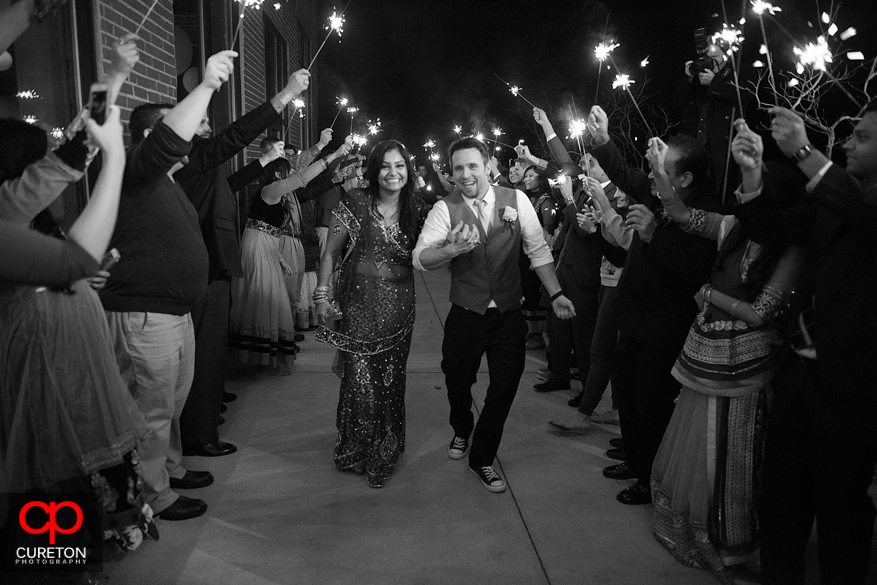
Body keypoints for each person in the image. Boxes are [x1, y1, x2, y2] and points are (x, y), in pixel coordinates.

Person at [0, 103, 159, 573]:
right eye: (37, 160)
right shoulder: (6, 215)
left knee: (90, 451)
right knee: (52, 461)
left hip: (78, 364)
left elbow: (59, 268)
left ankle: (93, 541)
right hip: (38, 369)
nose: (48, 166)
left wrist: (81, 281)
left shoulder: (33, 219)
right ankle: (55, 562)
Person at [647, 129, 803, 581]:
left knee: (735, 455)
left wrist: (713, 294)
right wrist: (659, 174)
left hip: (749, 364)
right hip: (710, 353)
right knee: (703, 446)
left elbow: (761, 312)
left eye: (752, 192)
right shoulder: (735, 228)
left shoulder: (791, 246)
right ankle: (698, 534)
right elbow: (679, 213)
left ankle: (734, 547)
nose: (741, 200)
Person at [733, 105, 877, 585]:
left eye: (861, 136)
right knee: (781, 501)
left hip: (853, 387)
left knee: (841, 512)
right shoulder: (832, 200)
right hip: (799, 373)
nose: (848, 144)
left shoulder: (856, 202)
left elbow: (861, 214)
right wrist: (752, 174)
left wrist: (801, 150)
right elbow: (770, 229)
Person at [98, 49, 238, 522]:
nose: (192, 134)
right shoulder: (133, 170)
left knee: (171, 403)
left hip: (171, 314)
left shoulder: (167, 183)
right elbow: (164, 144)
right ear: (148, 137)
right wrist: (204, 88)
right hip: (143, 315)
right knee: (150, 412)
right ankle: (150, 495)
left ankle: (169, 469)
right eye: (180, 124)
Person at [413, 137, 575, 493]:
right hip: (465, 314)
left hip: (507, 314)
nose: (465, 174)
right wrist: (449, 250)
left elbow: (538, 252)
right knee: (457, 380)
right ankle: (461, 428)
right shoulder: (444, 208)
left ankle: (482, 458)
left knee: (504, 388)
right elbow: (420, 258)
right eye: (458, 168)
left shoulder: (515, 200)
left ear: (487, 165)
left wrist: (557, 293)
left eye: (472, 165)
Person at [585, 105, 722, 506]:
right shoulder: (657, 190)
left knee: (651, 403)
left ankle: (650, 479)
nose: (653, 176)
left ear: (686, 177)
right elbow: (626, 174)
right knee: (626, 394)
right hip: (633, 315)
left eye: (663, 170)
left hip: (664, 326)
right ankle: (633, 457)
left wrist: (650, 235)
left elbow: (690, 269)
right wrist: (604, 140)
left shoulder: (705, 212)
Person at [174, 68, 312, 459]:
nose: (206, 126)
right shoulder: (189, 153)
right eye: (200, 120)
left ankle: (209, 401)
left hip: (214, 259)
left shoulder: (196, 161)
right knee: (204, 346)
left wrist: (264, 161)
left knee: (211, 346)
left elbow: (229, 186)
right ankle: (199, 432)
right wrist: (283, 95)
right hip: (205, 259)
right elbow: (236, 134)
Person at [314, 140, 429, 489]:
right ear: (374, 170)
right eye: (386, 166)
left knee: (390, 382)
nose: (393, 173)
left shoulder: (419, 209)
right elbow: (331, 253)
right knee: (360, 381)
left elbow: (432, 254)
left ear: (408, 171)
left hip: (399, 309)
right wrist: (322, 295)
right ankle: (355, 447)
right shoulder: (356, 202)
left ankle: (384, 450)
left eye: (400, 166)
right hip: (357, 308)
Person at [229, 143, 350, 374]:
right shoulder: (271, 190)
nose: (292, 176)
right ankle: (261, 354)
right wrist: (333, 154)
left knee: (274, 298)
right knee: (266, 297)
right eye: (287, 173)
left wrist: (281, 260)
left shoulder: (278, 195)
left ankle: (265, 355)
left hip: (268, 245)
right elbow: (303, 178)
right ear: (277, 174)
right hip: (258, 247)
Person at [519, 165, 560, 350]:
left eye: (531, 175)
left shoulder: (546, 201)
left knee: (534, 294)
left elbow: (548, 232)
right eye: (525, 176)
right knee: (527, 293)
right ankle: (529, 333)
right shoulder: (529, 199)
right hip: (524, 253)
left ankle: (537, 336)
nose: (526, 179)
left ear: (541, 179)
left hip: (535, 255)